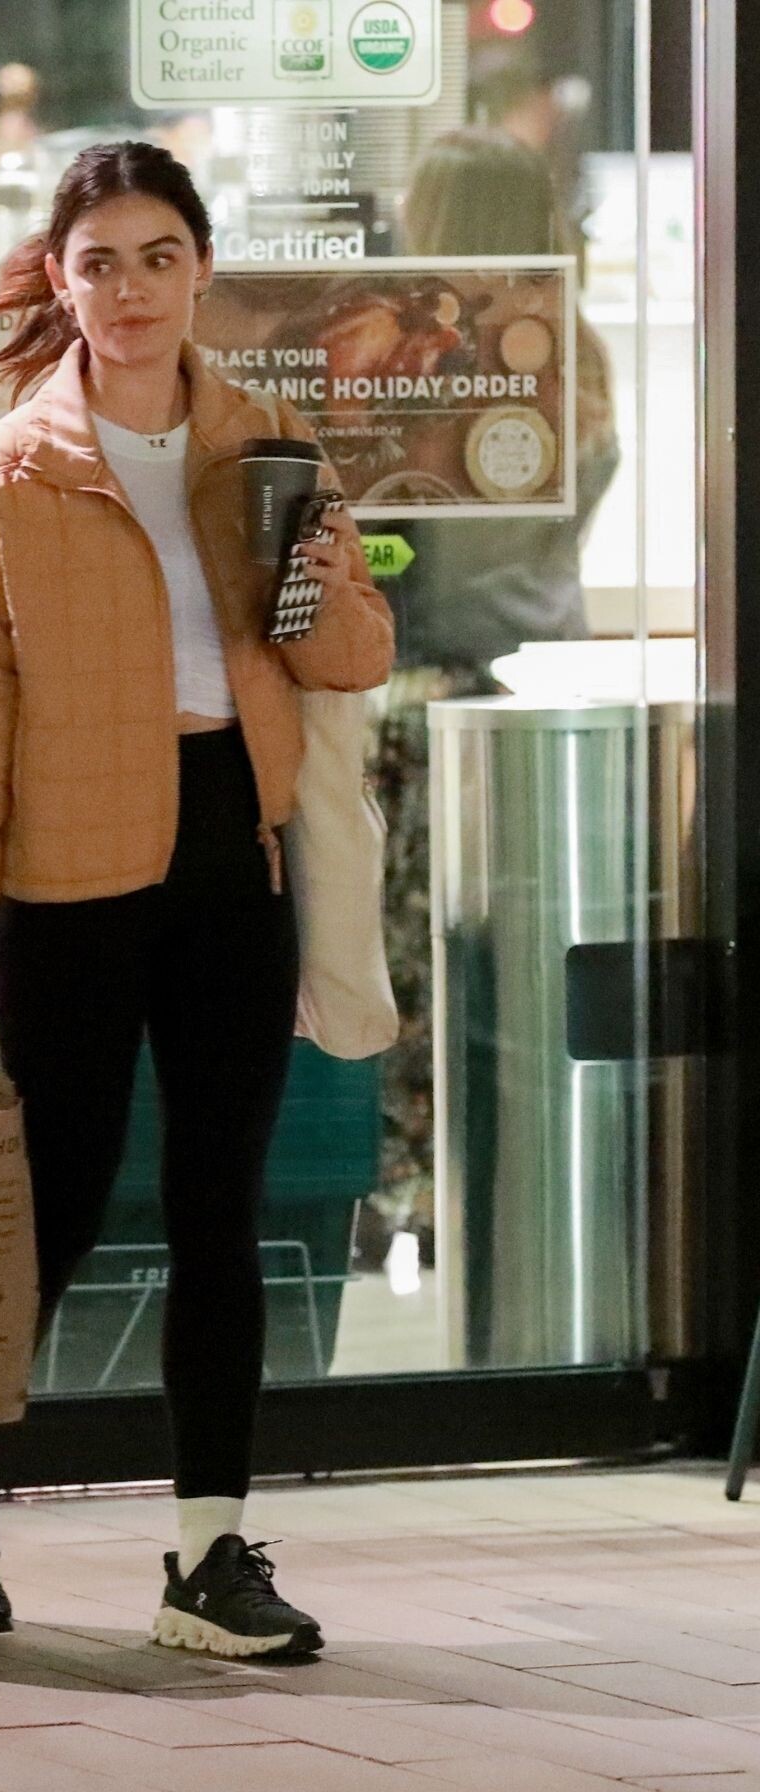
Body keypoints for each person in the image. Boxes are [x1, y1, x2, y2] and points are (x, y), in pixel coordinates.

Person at [0, 140, 394, 1657]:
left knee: (219, 1204)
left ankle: (209, 1556)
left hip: (234, 854)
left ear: (200, 270)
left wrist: (323, 575)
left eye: (159, 256)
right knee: (56, 1196)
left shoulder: (265, 444)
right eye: (98, 262)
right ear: (61, 280)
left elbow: (350, 658)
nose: (131, 289)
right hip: (69, 878)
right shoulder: (7, 477)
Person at [362, 127, 618, 1259]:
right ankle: (505, 1204)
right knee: (512, 977)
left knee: (399, 972)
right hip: (540, 699)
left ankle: (401, 1194)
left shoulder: (415, 368)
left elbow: (398, 557)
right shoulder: (574, 359)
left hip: (415, 699)